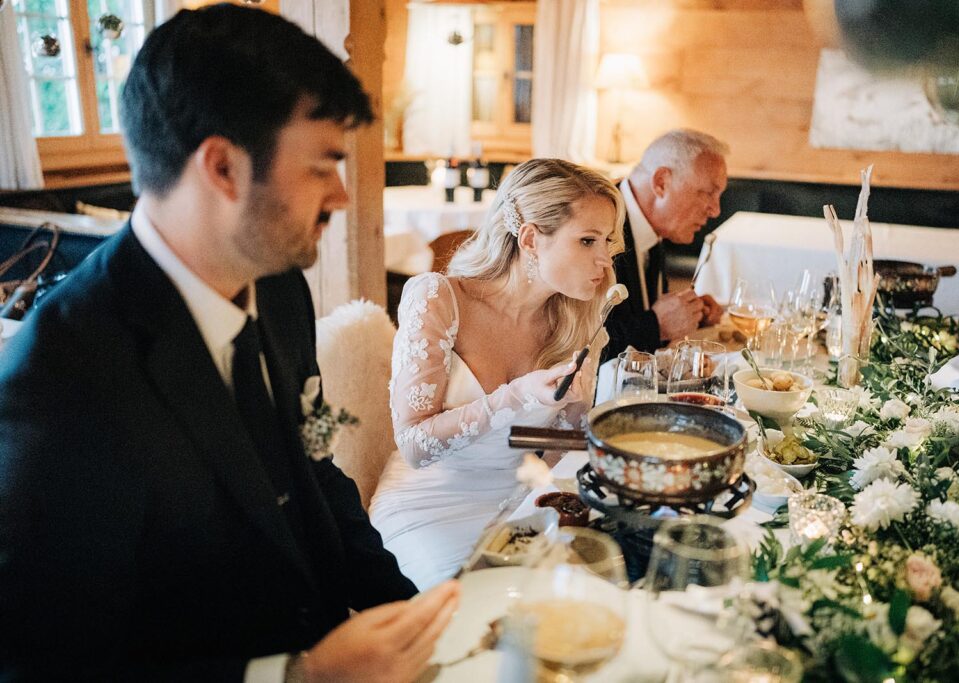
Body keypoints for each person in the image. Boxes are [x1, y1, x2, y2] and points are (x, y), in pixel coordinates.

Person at [0, 6, 459, 681]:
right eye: (322, 165)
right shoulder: (59, 379)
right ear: (221, 167)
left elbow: (317, 470)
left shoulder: (279, 289)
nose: (339, 192)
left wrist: (418, 628)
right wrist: (300, 674)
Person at [369, 159, 625, 589]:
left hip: (524, 496)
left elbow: (558, 448)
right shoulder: (438, 298)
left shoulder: (584, 316)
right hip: (431, 505)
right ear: (530, 239)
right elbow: (415, 445)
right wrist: (517, 395)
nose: (604, 260)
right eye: (587, 241)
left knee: (593, 585)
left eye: (608, 242)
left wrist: (590, 426)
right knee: (477, 604)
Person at [604, 129, 729, 359]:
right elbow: (582, 346)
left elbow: (636, 317)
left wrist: (691, 315)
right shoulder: (601, 230)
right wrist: (656, 324)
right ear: (661, 182)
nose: (715, 210)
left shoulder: (656, 227)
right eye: (708, 193)